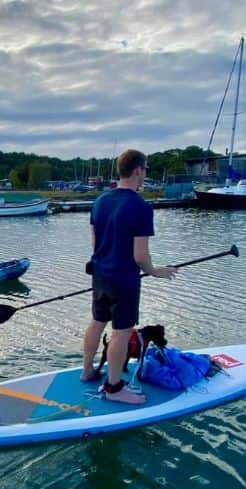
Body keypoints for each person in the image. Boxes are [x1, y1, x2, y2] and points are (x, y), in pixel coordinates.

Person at [81, 149, 177, 404]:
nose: (146, 174)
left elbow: (95, 243)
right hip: (123, 279)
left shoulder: (100, 201)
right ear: (137, 170)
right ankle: (114, 388)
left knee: (97, 322)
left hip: (100, 274)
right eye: (145, 169)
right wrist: (156, 271)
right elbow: (140, 255)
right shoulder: (140, 207)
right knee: (121, 333)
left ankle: (87, 370)